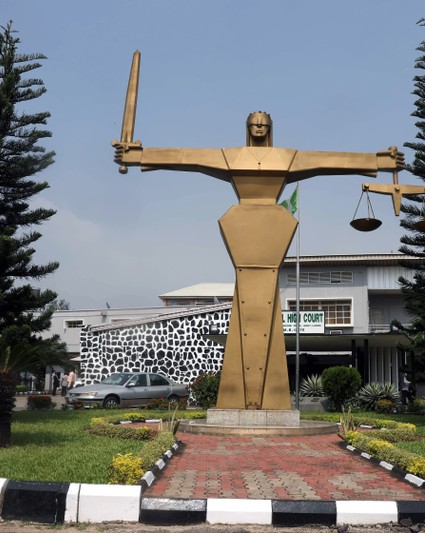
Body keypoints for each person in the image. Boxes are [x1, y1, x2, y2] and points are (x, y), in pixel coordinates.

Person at [114, 111, 405, 411]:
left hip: (273, 225)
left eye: (264, 125)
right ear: (246, 128)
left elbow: (326, 161)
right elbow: (189, 158)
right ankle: (244, 398)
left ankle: (263, 398)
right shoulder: (231, 156)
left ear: (271, 129)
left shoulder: (287, 158)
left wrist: (378, 162)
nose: (259, 129)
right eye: (254, 124)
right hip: (241, 223)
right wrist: (140, 155)